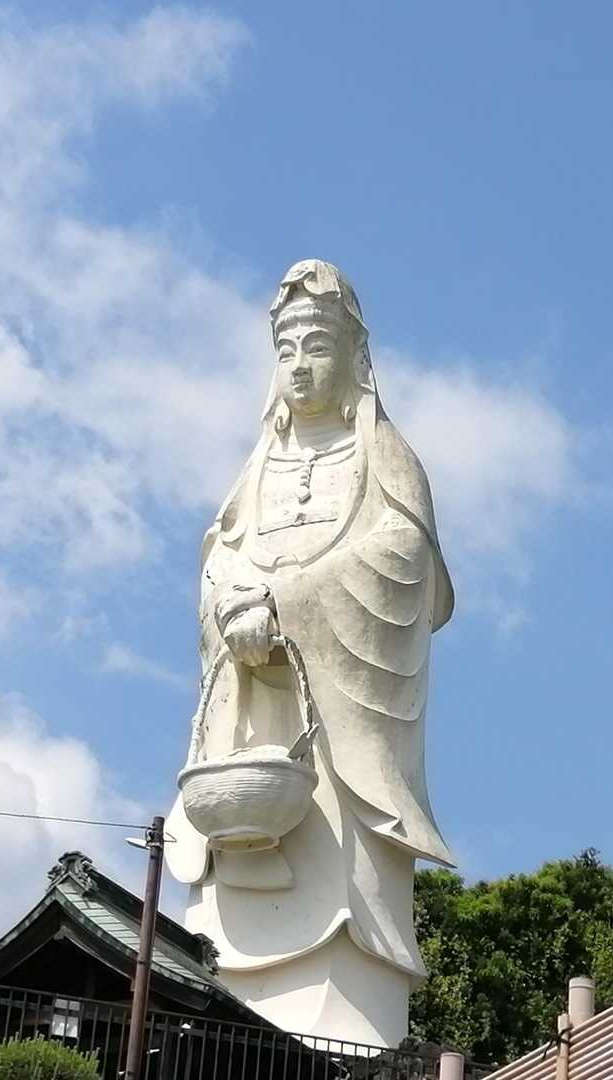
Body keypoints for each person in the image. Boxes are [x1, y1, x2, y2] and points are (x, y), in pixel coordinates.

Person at [166, 259, 455, 1046]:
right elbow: (220, 556)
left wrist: (287, 603)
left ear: (356, 357)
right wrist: (232, 605)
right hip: (256, 712)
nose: (300, 365)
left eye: (318, 346)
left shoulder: (385, 459)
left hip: (338, 730)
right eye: (287, 348)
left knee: (343, 875)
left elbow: (404, 560)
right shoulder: (254, 469)